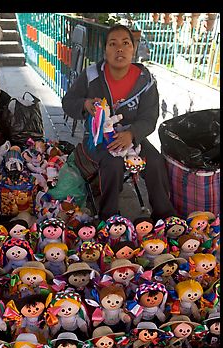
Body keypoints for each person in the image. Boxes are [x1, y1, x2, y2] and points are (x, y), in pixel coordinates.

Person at [62, 24, 177, 222]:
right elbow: (68, 103)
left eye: (125, 43)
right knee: (112, 163)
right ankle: (109, 218)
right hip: (98, 139)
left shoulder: (145, 80)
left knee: (156, 162)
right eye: (113, 44)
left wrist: (132, 134)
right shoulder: (91, 76)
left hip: (133, 138)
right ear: (105, 50)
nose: (119, 49)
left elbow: (150, 117)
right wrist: (85, 103)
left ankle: (164, 216)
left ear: (133, 48)